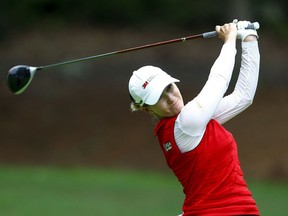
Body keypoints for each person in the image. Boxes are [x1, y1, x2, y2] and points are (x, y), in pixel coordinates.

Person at [128, 20, 260, 215]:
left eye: (169, 88)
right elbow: (219, 81)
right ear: (147, 109)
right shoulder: (187, 123)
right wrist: (230, 39)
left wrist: (249, 38)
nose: (171, 98)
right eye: (159, 97)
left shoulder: (190, 122)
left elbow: (243, 97)